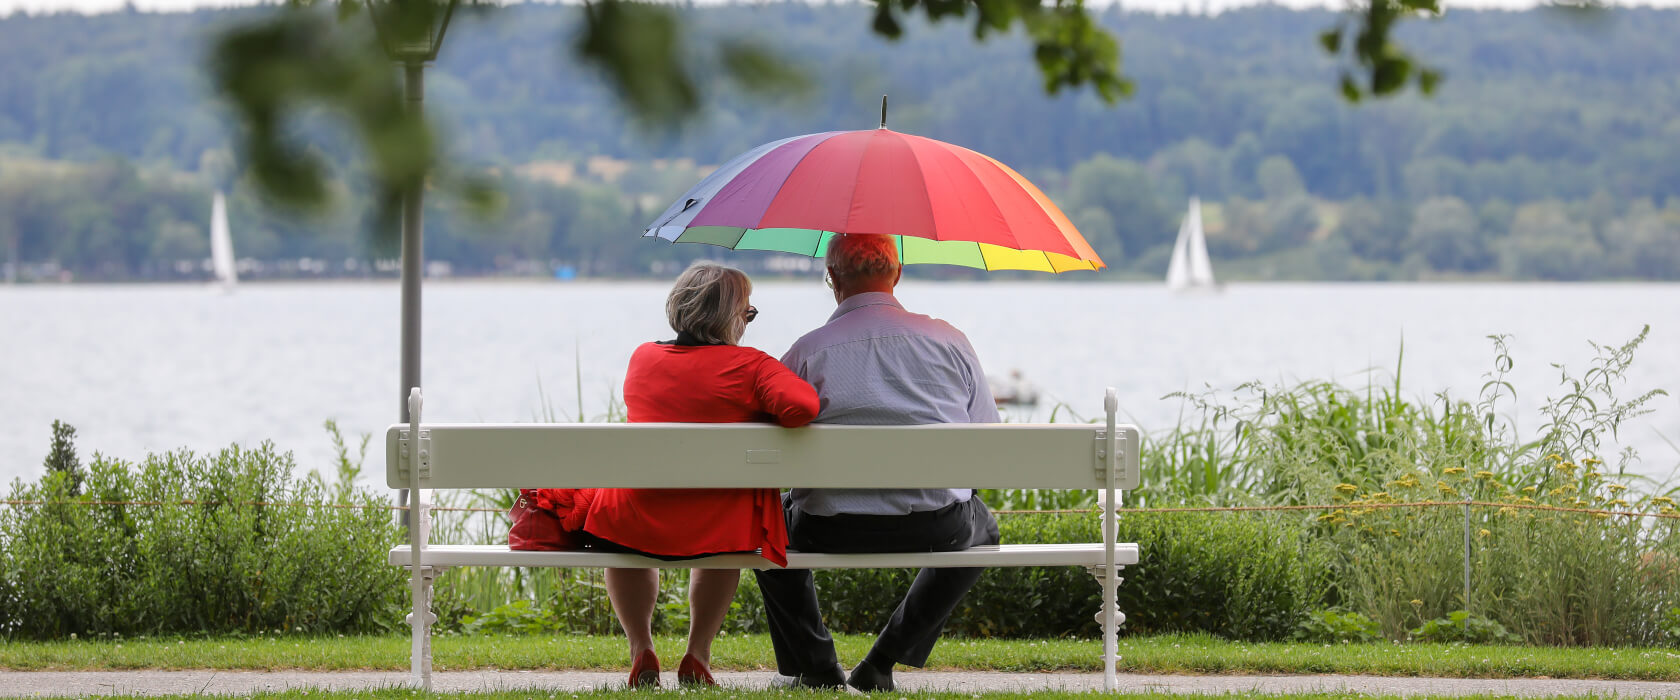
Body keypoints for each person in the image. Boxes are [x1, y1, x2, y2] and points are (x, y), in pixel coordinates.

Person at [754, 233, 1002, 692]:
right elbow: (987, 438)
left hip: (827, 526)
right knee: (983, 529)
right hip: (935, 524)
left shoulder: (808, 351)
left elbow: (764, 443)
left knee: (766, 528)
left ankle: (817, 666)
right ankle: (882, 661)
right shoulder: (951, 342)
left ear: (832, 278)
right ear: (898, 274)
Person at [579, 261, 819, 688]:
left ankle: (641, 649)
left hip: (635, 518)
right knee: (723, 521)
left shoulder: (643, 358)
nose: (747, 322)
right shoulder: (752, 367)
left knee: (625, 518)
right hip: (715, 524)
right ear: (731, 317)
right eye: (748, 313)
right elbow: (801, 407)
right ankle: (698, 654)